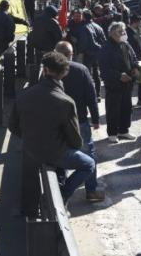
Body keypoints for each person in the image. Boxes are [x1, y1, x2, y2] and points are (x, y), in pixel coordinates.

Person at [9, 52, 94, 203]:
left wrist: (30, 137)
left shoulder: (24, 95)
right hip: (55, 153)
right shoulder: (66, 102)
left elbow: (12, 126)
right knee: (89, 164)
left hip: (30, 149)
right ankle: (63, 194)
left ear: (45, 70)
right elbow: (75, 140)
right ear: (64, 73)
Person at [53, 42, 104, 203]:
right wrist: (95, 119)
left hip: (56, 122)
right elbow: (91, 96)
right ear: (71, 54)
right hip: (79, 121)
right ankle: (91, 190)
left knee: (60, 155)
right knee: (88, 155)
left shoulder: (49, 71)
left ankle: (60, 191)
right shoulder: (81, 70)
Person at [98, 21, 139, 143]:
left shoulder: (125, 44)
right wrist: (118, 75)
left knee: (126, 108)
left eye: (124, 31)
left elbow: (134, 57)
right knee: (113, 109)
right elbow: (104, 68)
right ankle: (112, 133)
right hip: (114, 84)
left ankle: (124, 130)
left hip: (128, 83)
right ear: (113, 34)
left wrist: (136, 67)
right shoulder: (106, 47)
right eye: (121, 32)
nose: (124, 34)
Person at [0, 0, 29, 67]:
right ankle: (1, 70)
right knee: (3, 55)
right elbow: (11, 27)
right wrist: (10, 38)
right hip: (4, 39)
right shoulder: (7, 15)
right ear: (6, 7)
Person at [76, 9, 106, 98]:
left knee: (88, 74)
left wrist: (80, 51)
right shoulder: (98, 27)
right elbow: (104, 40)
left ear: (84, 17)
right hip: (98, 53)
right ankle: (97, 94)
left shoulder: (84, 27)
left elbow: (83, 43)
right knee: (96, 74)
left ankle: (90, 94)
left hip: (88, 54)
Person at [126, 14, 141, 108]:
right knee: (131, 81)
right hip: (132, 60)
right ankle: (127, 102)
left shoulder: (140, 30)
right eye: (140, 21)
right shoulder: (127, 32)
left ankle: (140, 100)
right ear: (135, 22)